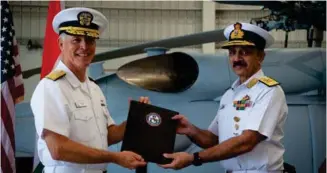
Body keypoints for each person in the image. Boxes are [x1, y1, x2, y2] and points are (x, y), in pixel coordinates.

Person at [159, 22, 288, 173]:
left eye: (244, 52)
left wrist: (194, 158)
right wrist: (190, 130)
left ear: (260, 56)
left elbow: (247, 142)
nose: (236, 58)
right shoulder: (230, 94)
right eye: (232, 52)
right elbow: (213, 140)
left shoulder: (269, 91)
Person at [30, 7, 148, 173]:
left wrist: (135, 118)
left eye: (90, 40)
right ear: (61, 44)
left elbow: (106, 136)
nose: (84, 46)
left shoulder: (93, 88)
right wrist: (114, 157)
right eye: (76, 40)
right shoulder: (52, 87)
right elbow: (58, 149)